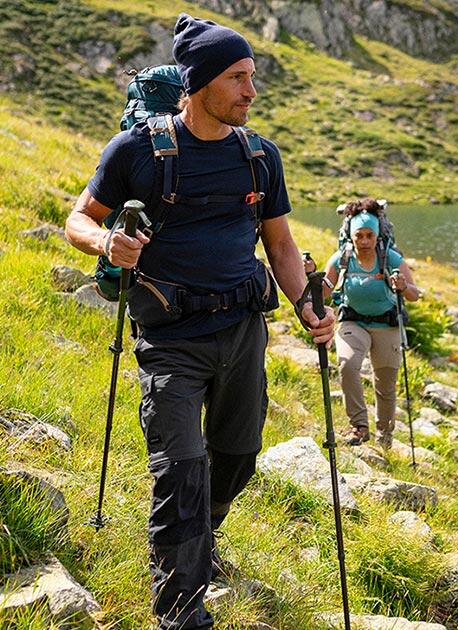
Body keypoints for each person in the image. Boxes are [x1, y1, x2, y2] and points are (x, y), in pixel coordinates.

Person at [65, 13, 334, 630]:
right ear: (203, 82)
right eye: (239, 77)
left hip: (243, 332)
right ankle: (181, 610)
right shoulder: (136, 151)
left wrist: (306, 306)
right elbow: (79, 218)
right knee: (180, 474)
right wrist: (107, 244)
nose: (251, 91)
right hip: (171, 340)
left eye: (252, 77)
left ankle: (198, 537)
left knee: (236, 459)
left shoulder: (260, 156)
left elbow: (282, 245)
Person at [324, 198, 421, 449]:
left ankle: (385, 436)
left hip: (386, 325)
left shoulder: (390, 257)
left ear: (377, 234)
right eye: (359, 235)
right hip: (352, 321)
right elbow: (323, 290)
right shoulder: (341, 258)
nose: (365, 241)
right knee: (347, 365)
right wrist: (309, 274)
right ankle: (359, 426)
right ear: (351, 235)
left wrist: (403, 286)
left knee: (385, 385)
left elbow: (414, 294)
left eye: (370, 235)